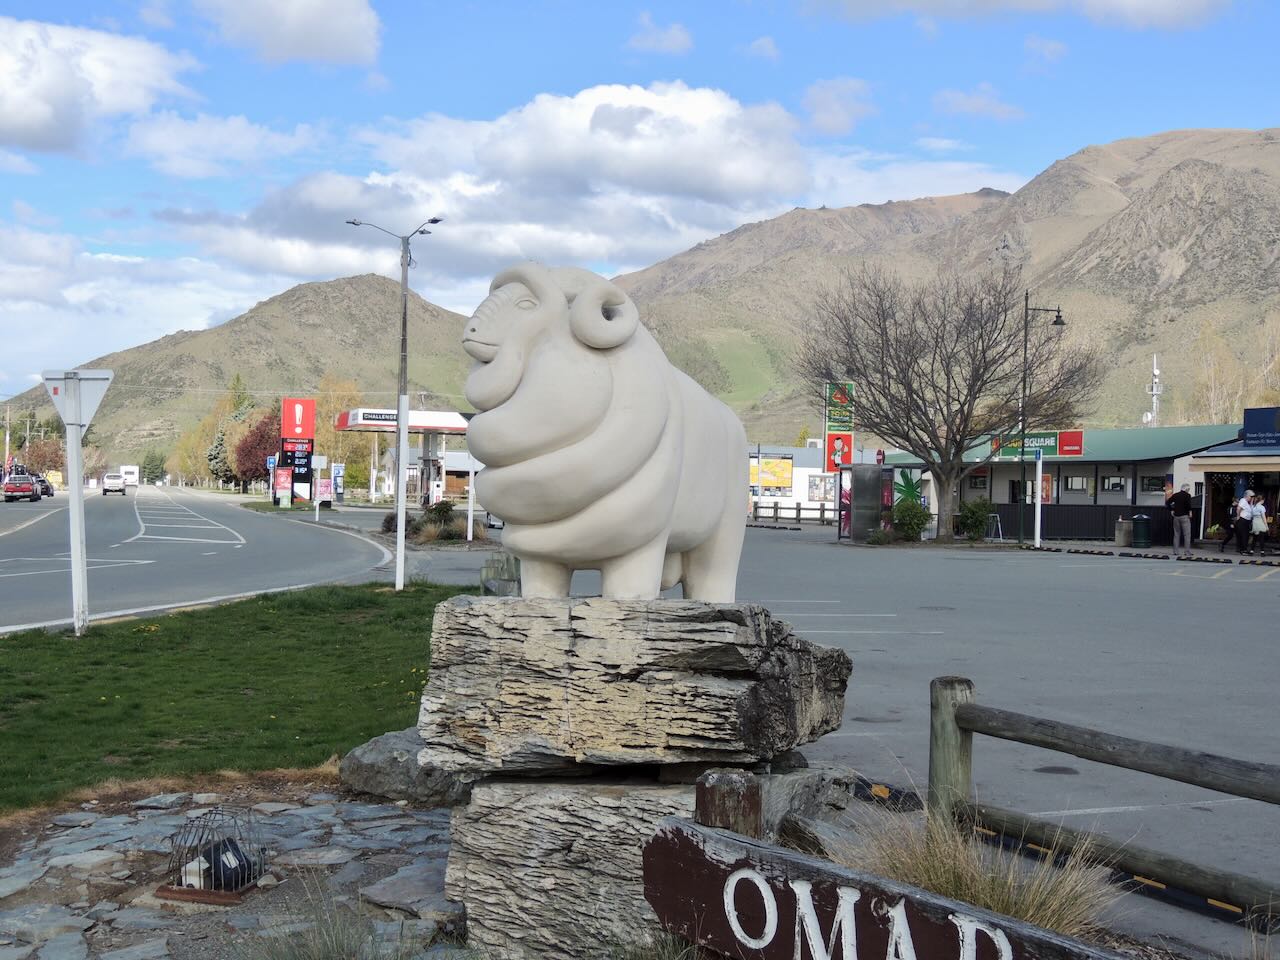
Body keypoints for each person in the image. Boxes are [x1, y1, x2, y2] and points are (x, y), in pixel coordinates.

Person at [1166, 483, 1194, 557]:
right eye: (1189, 489)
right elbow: (1188, 505)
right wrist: (1190, 512)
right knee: (1187, 535)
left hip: (1176, 517)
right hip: (1184, 517)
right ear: (1187, 489)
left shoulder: (1176, 495)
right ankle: (1187, 552)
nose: (1189, 490)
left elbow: (1168, 502)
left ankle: (1175, 551)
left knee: (1176, 534)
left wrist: (1171, 510)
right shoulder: (1187, 495)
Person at [1235, 490, 1254, 555]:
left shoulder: (1248, 503)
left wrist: (1251, 502)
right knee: (1244, 535)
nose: (1252, 498)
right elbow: (1238, 508)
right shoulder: (1243, 500)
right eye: (1251, 496)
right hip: (1243, 520)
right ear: (1247, 495)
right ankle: (1243, 550)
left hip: (1247, 521)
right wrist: (1238, 516)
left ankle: (1243, 549)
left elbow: (1251, 510)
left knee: (1246, 535)